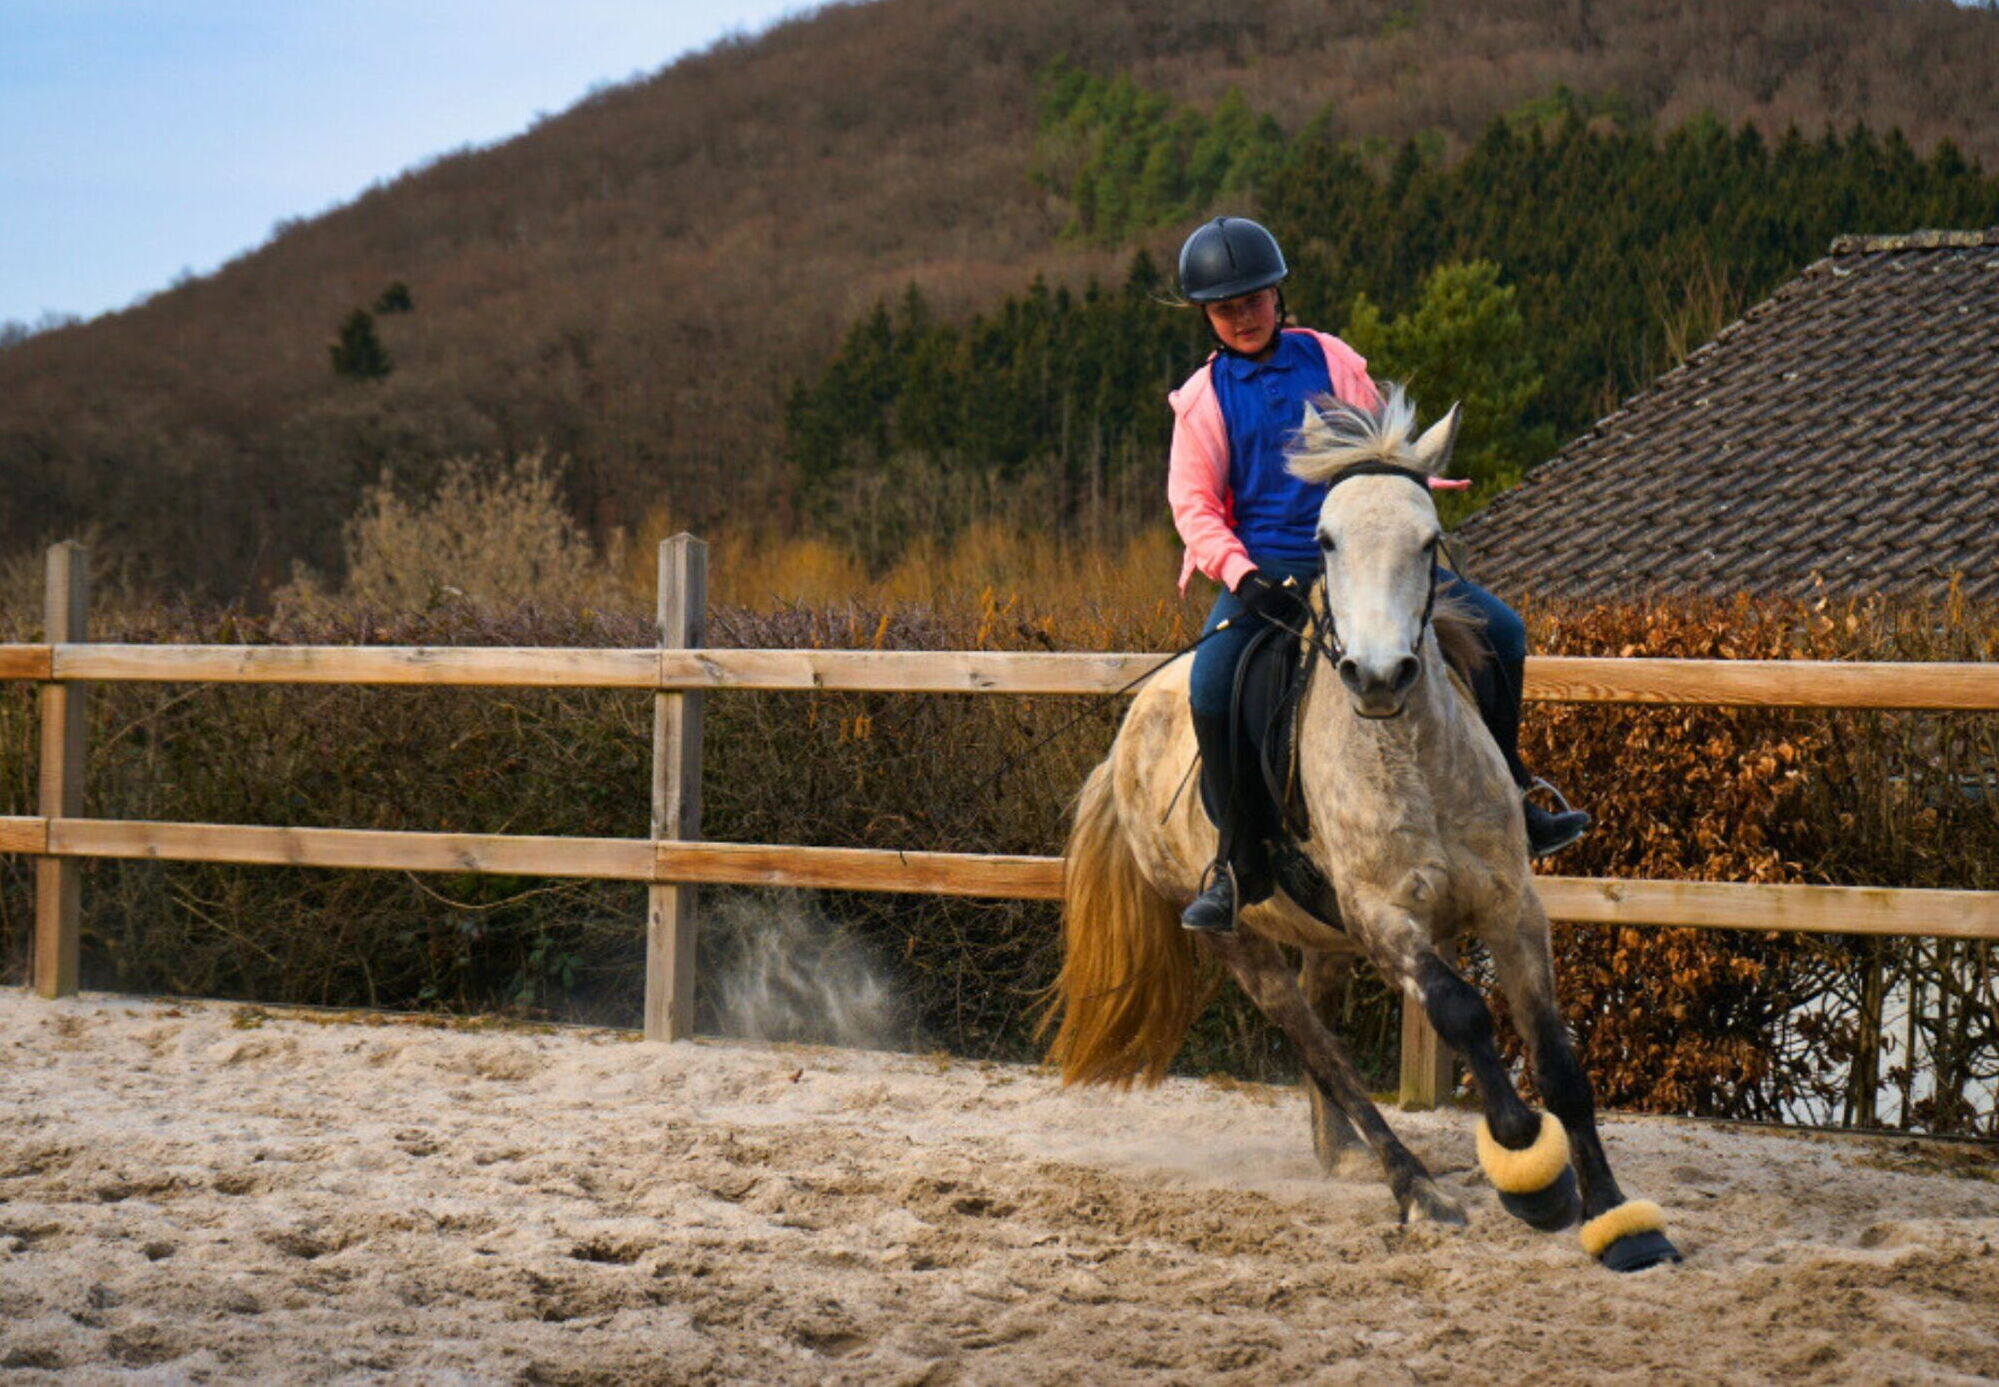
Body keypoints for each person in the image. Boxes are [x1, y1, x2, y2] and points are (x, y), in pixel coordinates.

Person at [1167, 216, 1588, 934]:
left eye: (1253, 301)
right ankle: (1239, 861)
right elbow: (1192, 505)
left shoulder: (1331, 359)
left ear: (1277, 296)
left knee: (1505, 634)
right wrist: (1239, 576)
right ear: (1207, 316)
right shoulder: (1202, 400)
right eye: (1225, 308)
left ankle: (1514, 796)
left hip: (1367, 557)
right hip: (1267, 571)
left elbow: (1382, 452)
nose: (1242, 317)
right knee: (1210, 685)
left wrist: (1417, 485)